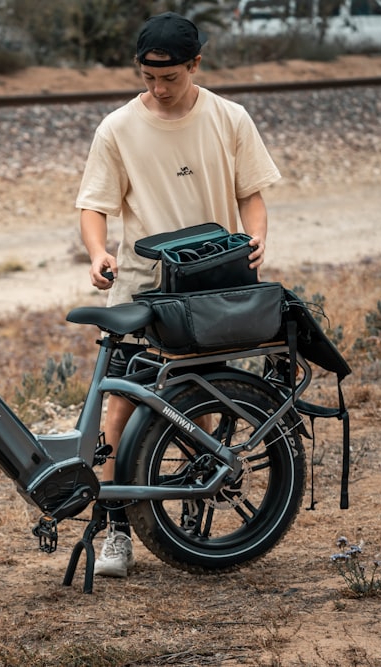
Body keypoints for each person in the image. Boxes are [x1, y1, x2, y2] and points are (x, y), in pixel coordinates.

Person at [75, 11, 282, 578]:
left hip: (217, 289)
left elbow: (252, 195)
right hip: (144, 291)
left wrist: (257, 237)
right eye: (148, 78)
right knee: (117, 408)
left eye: (169, 78)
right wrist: (98, 252)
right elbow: (94, 204)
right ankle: (115, 530)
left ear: (196, 64)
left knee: (201, 409)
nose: (158, 90)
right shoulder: (117, 127)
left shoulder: (230, 118)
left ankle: (193, 521)